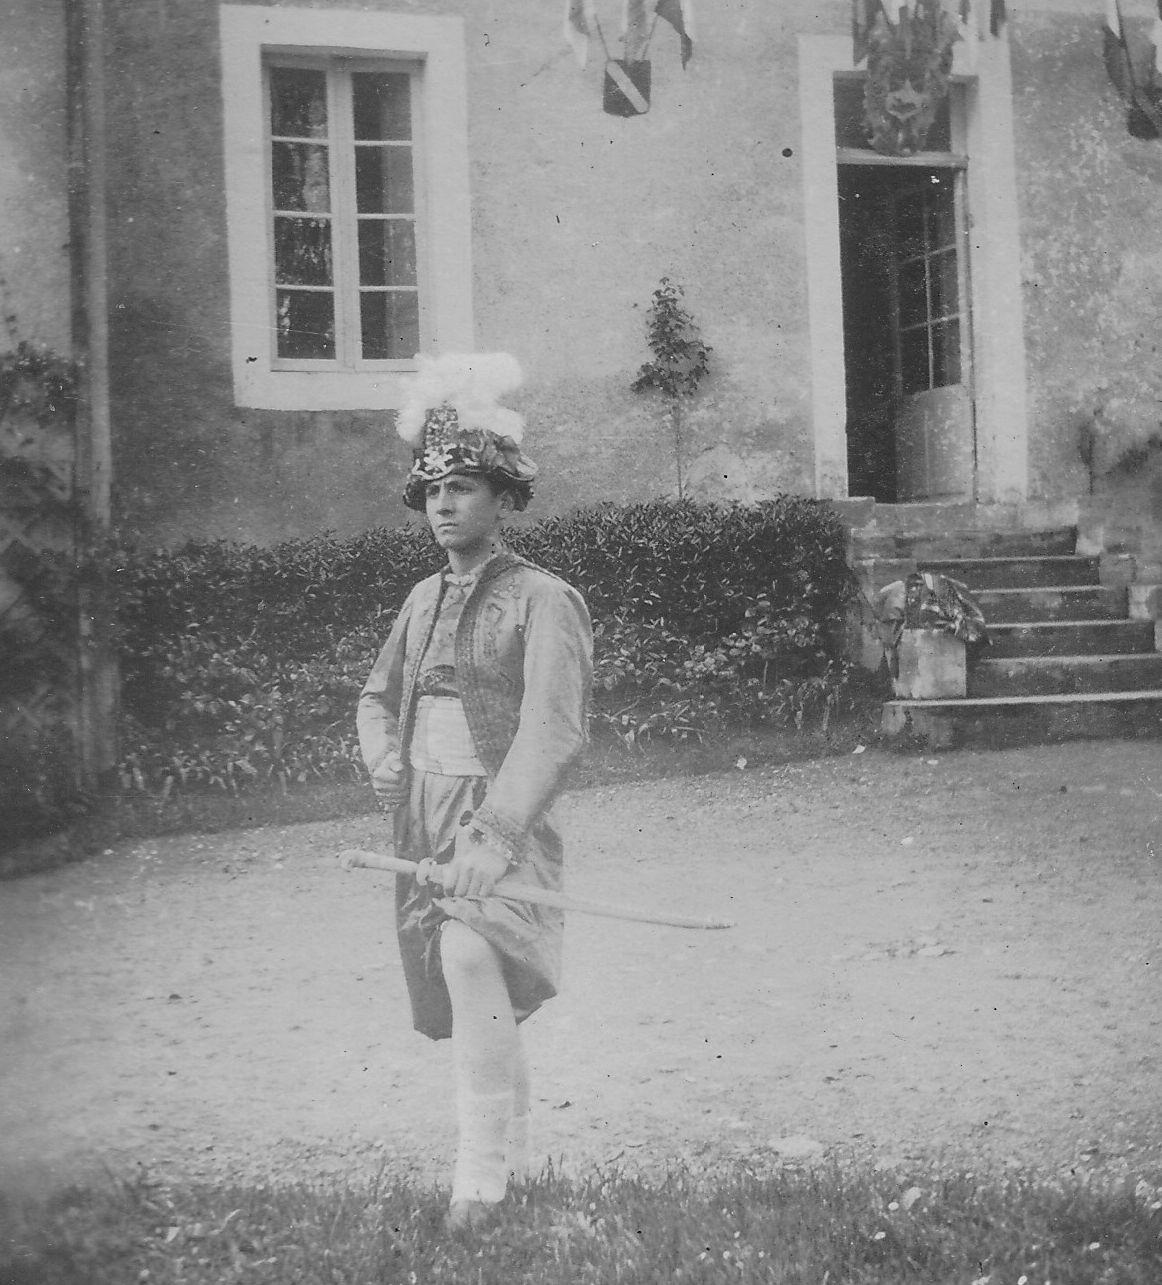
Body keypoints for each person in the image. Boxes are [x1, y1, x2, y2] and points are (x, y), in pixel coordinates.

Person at [356, 353, 593, 1231]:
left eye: (463, 487)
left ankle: (480, 1177)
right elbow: (377, 697)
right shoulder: (422, 599)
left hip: (502, 815)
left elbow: (552, 729)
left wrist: (494, 835)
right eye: (432, 490)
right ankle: (518, 1161)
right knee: (471, 977)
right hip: (423, 812)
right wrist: (382, 753)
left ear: (504, 497)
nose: (444, 504)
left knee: (467, 953)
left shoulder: (545, 599)